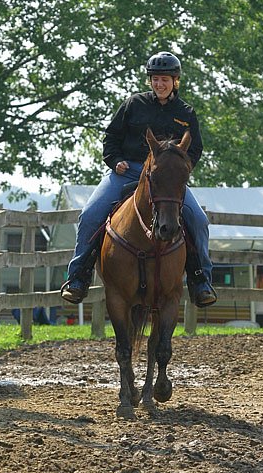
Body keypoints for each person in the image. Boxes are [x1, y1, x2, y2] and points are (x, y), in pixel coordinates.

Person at [60, 51, 217, 307]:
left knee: (198, 221)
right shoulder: (133, 104)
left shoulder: (186, 113)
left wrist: (179, 172)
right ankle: (78, 277)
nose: (159, 84)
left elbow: (195, 149)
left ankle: (201, 280)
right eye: (155, 79)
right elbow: (111, 138)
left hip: (166, 182)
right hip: (127, 172)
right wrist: (115, 161)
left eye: (165, 79)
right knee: (89, 214)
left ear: (175, 81)